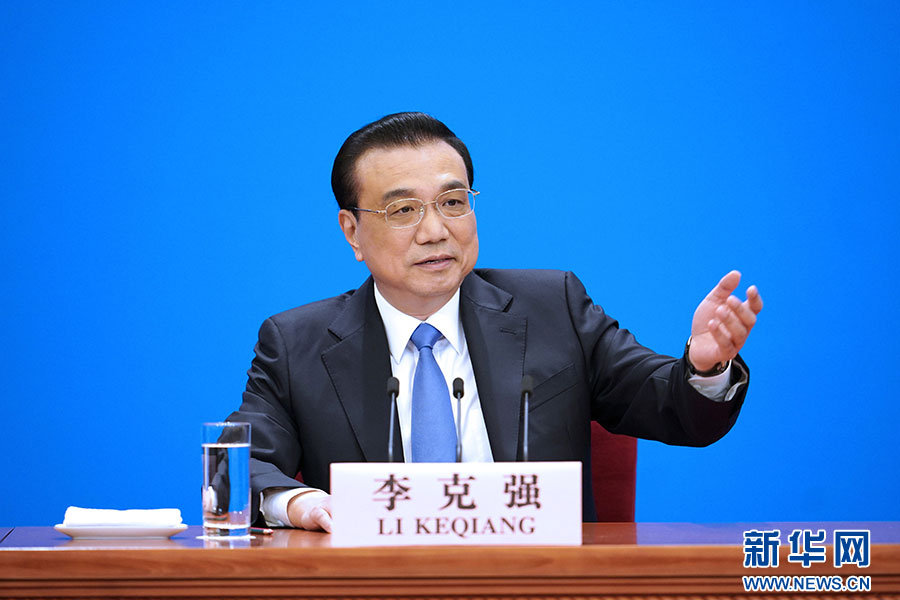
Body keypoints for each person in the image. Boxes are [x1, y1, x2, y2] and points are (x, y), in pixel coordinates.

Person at [227, 112, 763, 532]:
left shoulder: (553, 308)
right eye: (404, 210)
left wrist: (704, 368)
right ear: (352, 232)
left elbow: (673, 408)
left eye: (452, 202)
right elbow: (238, 464)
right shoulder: (297, 344)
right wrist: (297, 503)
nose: (435, 230)